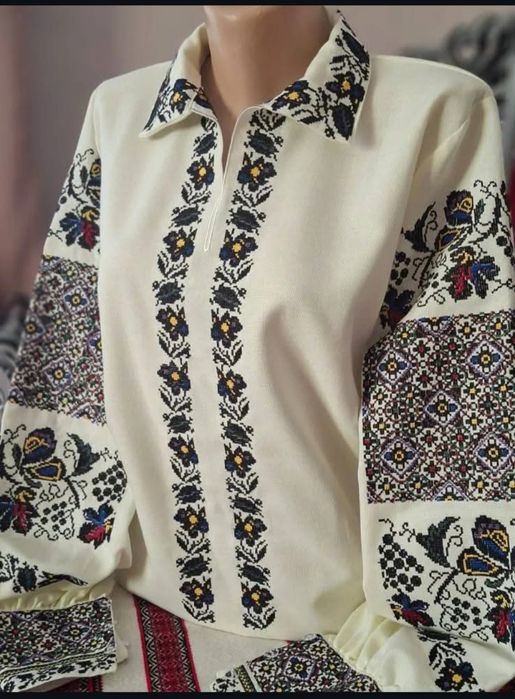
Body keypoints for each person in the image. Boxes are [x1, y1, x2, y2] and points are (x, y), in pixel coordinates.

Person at [1, 4, 514, 693]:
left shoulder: (434, 115)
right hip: (128, 608)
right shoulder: (118, 116)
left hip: (348, 630)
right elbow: (69, 368)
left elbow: (451, 411)